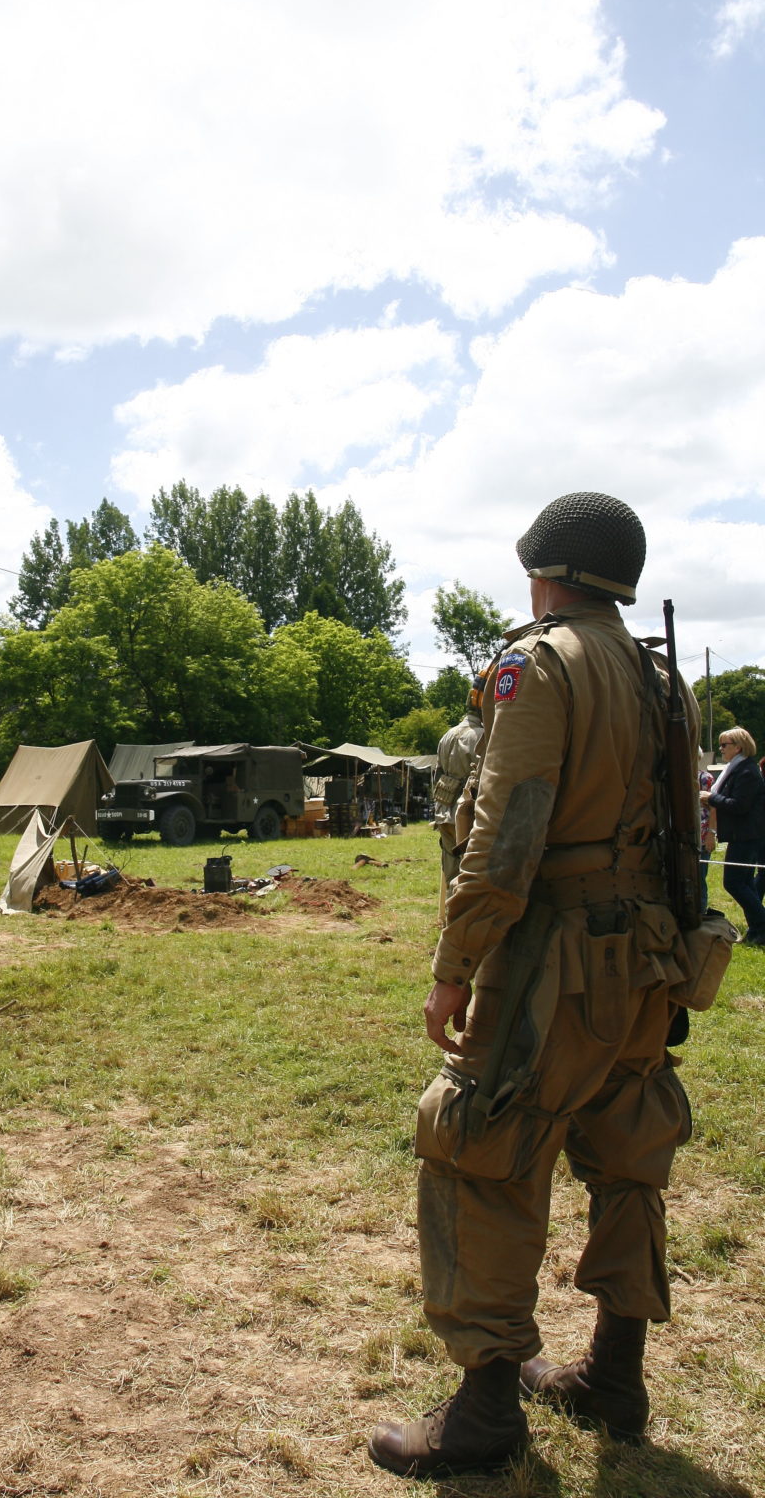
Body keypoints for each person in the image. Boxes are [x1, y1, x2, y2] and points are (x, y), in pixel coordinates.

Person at [369, 492, 697, 1478]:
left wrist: (454, 968)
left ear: (544, 574)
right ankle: (614, 1376)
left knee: (479, 1149)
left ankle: (483, 1411)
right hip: (648, 957)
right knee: (627, 1149)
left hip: (551, 955)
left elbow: (507, 827)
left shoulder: (539, 662)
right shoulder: (660, 678)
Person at [701, 728, 765, 945]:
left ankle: (762, 924)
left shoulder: (747, 772)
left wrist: (711, 797)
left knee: (734, 883)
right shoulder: (736, 769)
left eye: (724, 745)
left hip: (747, 836)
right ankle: (758, 931)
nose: (721, 749)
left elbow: (739, 805)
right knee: (746, 884)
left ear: (738, 747)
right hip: (743, 835)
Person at [431, 675, 486, 921]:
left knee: (450, 866)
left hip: (444, 810)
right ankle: (461, 923)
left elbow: (438, 774)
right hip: (467, 813)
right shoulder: (482, 736)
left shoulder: (448, 735)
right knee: (468, 871)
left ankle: (449, 919)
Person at [699, 757, 716, 914]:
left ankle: (701, 912)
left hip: (701, 834)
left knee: (699, 876)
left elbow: (713, 809)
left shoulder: (705, 778)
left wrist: (711, 834)